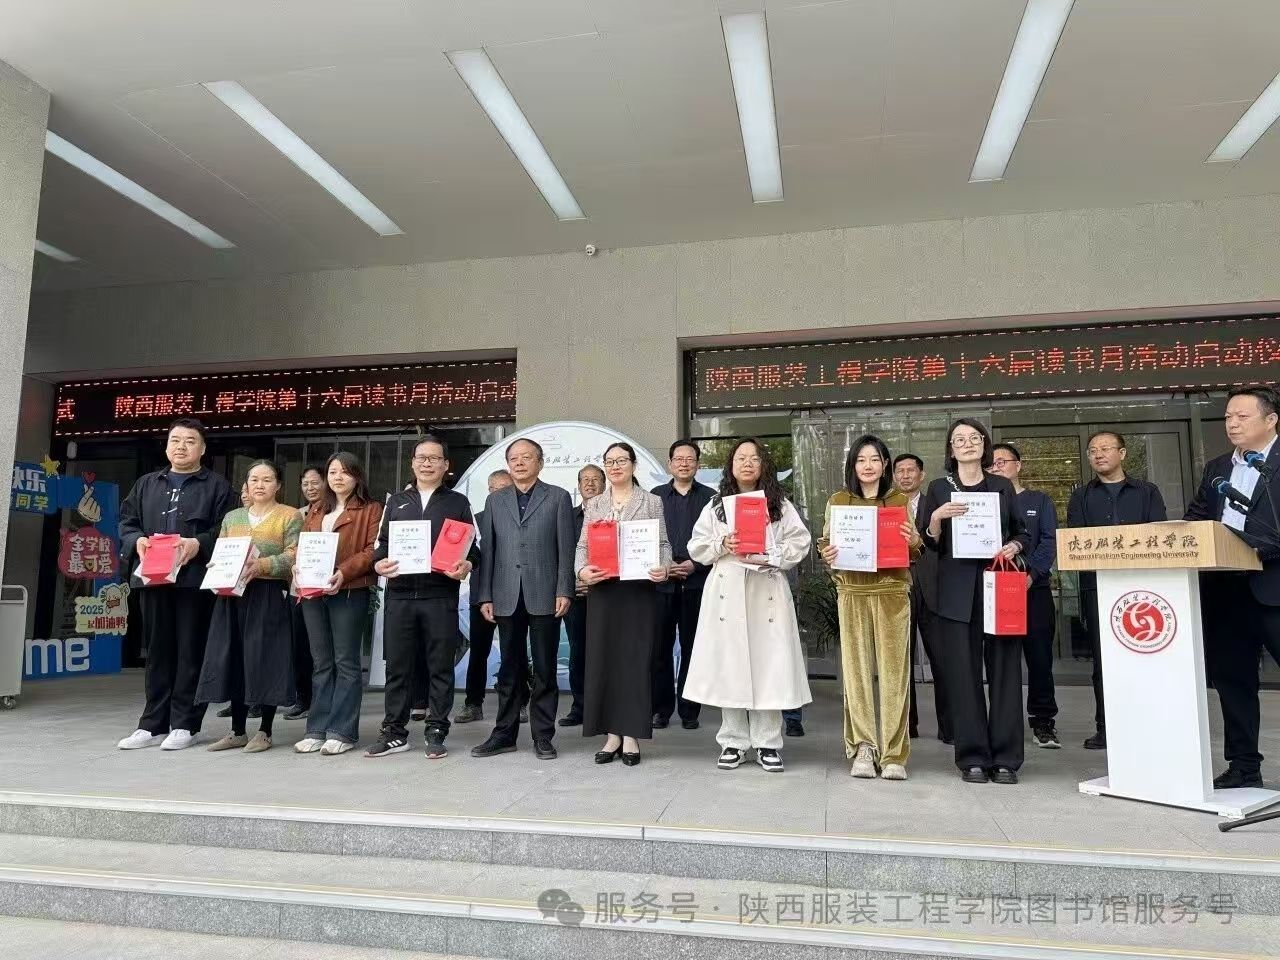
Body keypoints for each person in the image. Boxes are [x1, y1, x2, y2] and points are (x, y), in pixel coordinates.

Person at [684, 438, 813, 773]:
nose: (747, 463)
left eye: (754, 458)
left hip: (766, 587)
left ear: (763, 466)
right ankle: (733, 741)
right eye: (741, 458)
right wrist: (722, 543)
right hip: (727, 589)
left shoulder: (779, 504)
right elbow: (696, 546)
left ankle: (768, 742)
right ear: (731, 465)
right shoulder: (716, 506)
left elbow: (800, 541)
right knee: (731, 665)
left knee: (769, 665)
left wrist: (773, 554)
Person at [918, 418, 1030, 785]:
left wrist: (1014, 545)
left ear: (984, 444)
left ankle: (1007, 758)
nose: (967, 443)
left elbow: (1022, 532)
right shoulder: (939, 488)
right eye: (959, 439)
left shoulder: (1001, 486)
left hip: (998, 589)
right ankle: (972, 757)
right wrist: (936, 518)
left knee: (1005, 674)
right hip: (955, 593)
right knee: (963, 677)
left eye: (974, 438)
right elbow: (928, 541)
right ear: (951, 449)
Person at [117, 418, 237, 752]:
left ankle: (185, 724)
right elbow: (126, 522)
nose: (181, 446)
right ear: (167, 446)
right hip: (152, 578)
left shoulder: (217, 487)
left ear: (203, 448)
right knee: (157, 651)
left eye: (189, 441)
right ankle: (152, 725)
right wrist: (137, 540)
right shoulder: (146, 484)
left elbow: (227, 528)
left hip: (193, 581)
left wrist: (200, 543)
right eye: (175, 440)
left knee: (190, 651)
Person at [1184, 384, 1280, 789]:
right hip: (1225, 591)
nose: (1232, 424)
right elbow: (1198, 516)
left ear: (1271, 419)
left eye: (1242, 416)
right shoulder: (1218, 467)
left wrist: (1263, 546)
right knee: (1232, 681)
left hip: (1273, 586)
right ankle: (1243, 766)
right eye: (1228, 417)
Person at [367, 435, 480, 759]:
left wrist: (467, 564)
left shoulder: (458, 503)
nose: (427, 463)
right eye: (421, 457)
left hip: (440, 596)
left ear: (446, 465)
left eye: (434, 458)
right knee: (398, 667)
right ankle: (394, 732)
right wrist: (378, 563)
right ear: (413, 463)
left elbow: (473, 548)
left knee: (439, 666)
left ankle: (436, 730)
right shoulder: (396, 502)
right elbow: (382, 545)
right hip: (401, 596)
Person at [818, 436, 921, 780]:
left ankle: (894, 754)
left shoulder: (899, 500)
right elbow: (826, 543)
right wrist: (826, 553)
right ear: (853, 465)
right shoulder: (839, 501)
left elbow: (916, 548)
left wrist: (912, 540)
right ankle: (863, 746)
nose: (868, 465)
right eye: (861, 459)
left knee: (894, 676)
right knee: (857, 673)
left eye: (874, 459)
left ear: (885, 464)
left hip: (892, 592)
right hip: (852, 592)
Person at [471, 438, 575, 760]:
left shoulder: (558, 497)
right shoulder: (495, 501)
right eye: (513, 458)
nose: (519, 463)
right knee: (509, 670)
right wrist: (485, 595)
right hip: (505, 593)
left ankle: (543, 736)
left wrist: (564, 589)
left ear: (539, 463)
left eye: (526, 457)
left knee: (544, 669)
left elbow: (566, 549)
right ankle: (504, 734)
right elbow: (488, 551)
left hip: (545, 593)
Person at [1066, 431, 1166, 750]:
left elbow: (1158, 537)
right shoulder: (1081, 497)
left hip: (1143, 590)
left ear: (1122, 453)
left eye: (1105, 448)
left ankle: (1150, 723)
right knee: (1103, 661)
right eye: (1092, 450)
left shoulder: (1147, 492)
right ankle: (1106, 728)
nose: (1098, 454)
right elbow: (1077, 541)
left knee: (1145, 658)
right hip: (1098, 588)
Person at [576, 443, 672, 765]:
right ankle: (611, 735)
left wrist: (664, 567)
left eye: (621, 460)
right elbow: (582, 546)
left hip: (637, 592)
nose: (615, 466)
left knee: (634, 661)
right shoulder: (595, 503)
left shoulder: (652, 501)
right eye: (609, 461)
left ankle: (631, 734)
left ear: (633, 464)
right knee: (604, 659)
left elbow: (663, 543)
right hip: (604, 591)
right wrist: (581, 571)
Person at [197, 460, 301, 753]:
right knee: (234, 658)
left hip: (268, 593)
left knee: (266, 658)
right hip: (233, 595)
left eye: (267, 480)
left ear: (278, 485)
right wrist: (217, 567)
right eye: (254, 479)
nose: (259, 485)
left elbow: (294, 554)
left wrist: (262, 565)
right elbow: (222, 550)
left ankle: (265, 731)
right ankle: (237, 730)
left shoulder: (289, 515)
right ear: (246, 485)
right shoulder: (233, 518)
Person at [294, 452, 382, 756]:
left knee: (346, 662)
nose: (338, 477)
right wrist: (297, 565)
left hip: (349, 591)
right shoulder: (317, 509)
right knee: (321, 662)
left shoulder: (370, 509)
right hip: (313, 591)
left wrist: (343, 572)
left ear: (357, 476)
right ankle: (316, 729)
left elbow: (372, 550)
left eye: (345, 472)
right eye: (332, 472)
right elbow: (303, 546)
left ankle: (342, 731)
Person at [989, 443, 1060, 749]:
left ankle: (1043, 722)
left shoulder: (1039, 500)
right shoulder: (984, 503)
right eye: (992, 464)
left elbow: (1049, 540)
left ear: (1018, 465)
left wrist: (1031, 575)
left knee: (1039, 659)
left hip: (1034, 591)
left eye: (1003, 461)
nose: (997, 467)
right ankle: (1002, 724)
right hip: (996, 594)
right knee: (1000, 661)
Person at [650, 440, 715, 731]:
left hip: (697, 583)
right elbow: (646, 538)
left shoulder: (712, 499)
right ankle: (660, 710)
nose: (684, 463)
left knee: (692, 649)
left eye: (690, 459)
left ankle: (690, 711)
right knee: (659, 649)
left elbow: (717, 540)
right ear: (670, 464)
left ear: (698, 465)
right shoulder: (655, 496)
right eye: (679, 459)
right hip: (661, 584)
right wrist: (665, 565)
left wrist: (694, 564)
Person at [894, 452, 950, 744]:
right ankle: (907, 726)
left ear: (921, 475)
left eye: (910, 470)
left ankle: (949, 727)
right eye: (900, 471)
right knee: (900, 662)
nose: (905, 475)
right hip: (898, 587)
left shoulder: (936, 504)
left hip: (933, 587)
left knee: (942, 660)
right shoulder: (887, 506)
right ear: (894, 476)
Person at [457, 469, 514, 724]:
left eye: (506, 488)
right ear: (489, 491)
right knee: (478, 652)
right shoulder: (475, 521)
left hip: (513, 595)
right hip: (481, 595)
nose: (500, 493)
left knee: (514, 652)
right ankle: (473, 703)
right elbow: (465, 555)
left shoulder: (521, 519)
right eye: (495, 489)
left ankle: (518, 702)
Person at [561, 464, 605, 727]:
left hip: (607, 595)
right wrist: (573, 581)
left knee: (606, 652)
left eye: (595, 479)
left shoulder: (612, 514)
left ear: (604, 484)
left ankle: (605, 708)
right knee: (578, 653)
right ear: (578, 486)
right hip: (577, 595)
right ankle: (579, 707)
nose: (590, 483)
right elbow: (560, 553)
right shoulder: (567, 516)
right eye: (585, 479)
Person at [284, 466, 325, 721]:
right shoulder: (297, 515)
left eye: (315, 482)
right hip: (298, 589)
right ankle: (303, 698)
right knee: (299, 646)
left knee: (322, 649)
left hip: (326, 588)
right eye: (305, 484)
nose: (310, 488)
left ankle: (322, 700)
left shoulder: (333, 513)